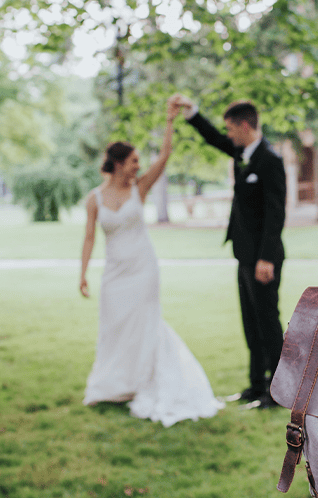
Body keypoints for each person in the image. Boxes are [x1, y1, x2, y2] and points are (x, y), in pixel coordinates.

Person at [79, 98, 223, 426]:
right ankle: (112, 384)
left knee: (145, 324)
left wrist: (170, 120)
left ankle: (142, 381)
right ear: (116, 163)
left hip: (143, 268)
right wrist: (83, 274)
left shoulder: (139, 189)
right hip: (115, 272)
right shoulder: (94, 199)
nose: (136, 167)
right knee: (114, 326)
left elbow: (164, 157)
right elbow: (89, 238)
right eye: (131, 162)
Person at [172, 94, 286, 409]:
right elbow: (212, 139)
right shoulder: (241, 153)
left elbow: (276, 213)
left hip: (264, 258)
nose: (229, 135)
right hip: (243, 254)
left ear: (245, 125)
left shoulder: (270, 160)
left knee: (267, 323)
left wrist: (266, 257)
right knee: (250, 322)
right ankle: (255, 386)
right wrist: (192, 113)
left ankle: (277, 392)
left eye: (231, 128)